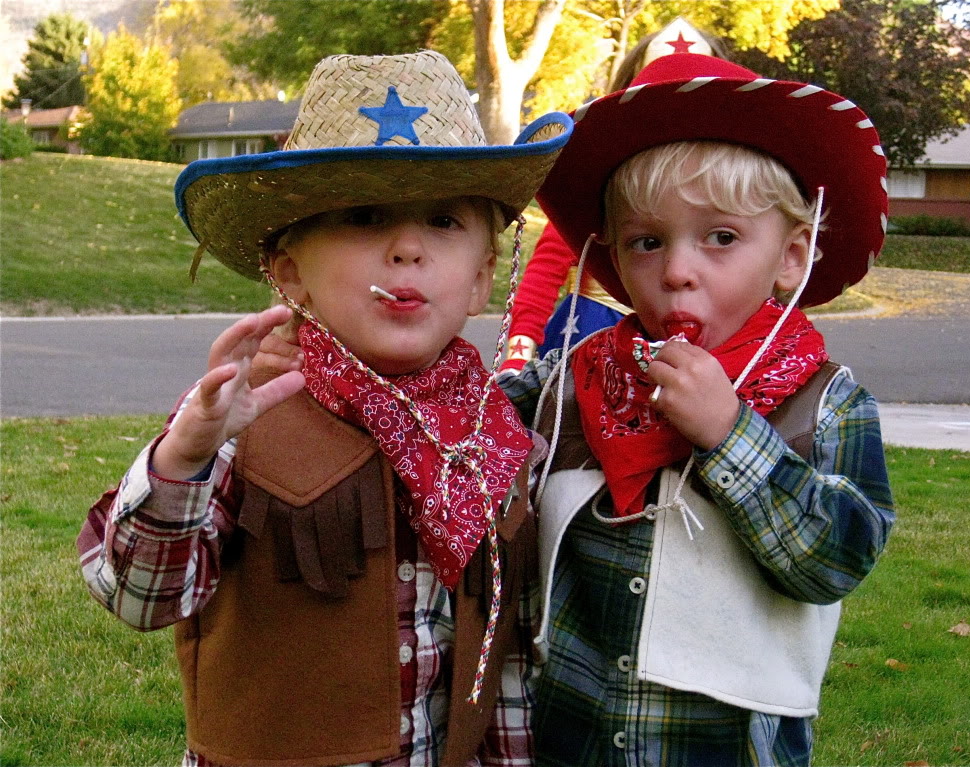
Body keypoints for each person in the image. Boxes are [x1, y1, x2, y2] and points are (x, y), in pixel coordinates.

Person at [77, 51, 572, 767]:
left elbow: (502, 656)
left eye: (441, 220)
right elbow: (137, 597)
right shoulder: (243, 416)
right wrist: (184, 456)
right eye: (365, 217)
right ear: (289, 274)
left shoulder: (492, 437)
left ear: (480, 280)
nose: (406, 248)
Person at [499, 51, 896, 764]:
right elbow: (461, 420)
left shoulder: (827, 403)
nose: (677, 268)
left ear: (789, 256)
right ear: (614, 262)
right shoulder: (573, 383)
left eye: (719, 237)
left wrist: (730, 434)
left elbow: (836, 560)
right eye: (646, 242)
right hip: (570, 736)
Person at [501, 17, 725, 372]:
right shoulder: (602, 182)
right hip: (594, 333)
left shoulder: (737, 188)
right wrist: (521, 344)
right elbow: (548, 264)